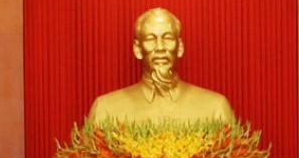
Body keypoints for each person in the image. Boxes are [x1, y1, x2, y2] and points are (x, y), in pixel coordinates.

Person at [88, 7, 235, 124]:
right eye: (150, 39)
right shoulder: (106, 109)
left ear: (180, 47)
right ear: (138, 49)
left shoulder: (215, 108)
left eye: (168, 38)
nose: (160, 47)